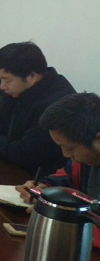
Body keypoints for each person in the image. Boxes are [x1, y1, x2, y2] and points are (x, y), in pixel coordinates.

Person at [0, 42, 74, 176]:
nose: (2, 86)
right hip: (15, 168)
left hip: (39, 178)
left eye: (7, 80)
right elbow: (8, 130)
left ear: (32, 76)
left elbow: (27, 152)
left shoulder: (56, 103)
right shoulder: (21, 90)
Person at [16, 93, 100, 237]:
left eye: (70, 148)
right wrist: (43, 190)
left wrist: (62, 220)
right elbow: (67, 177)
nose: (65, 154)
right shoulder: (87, 160)